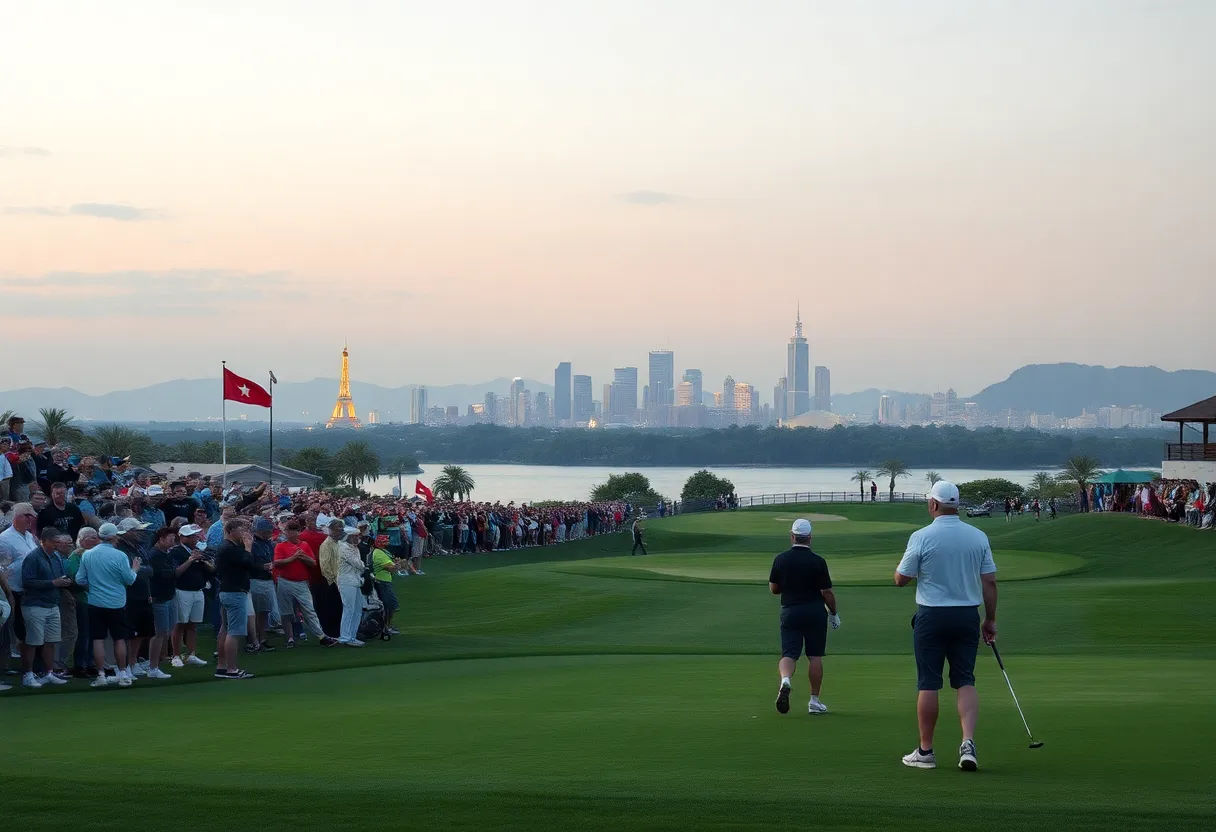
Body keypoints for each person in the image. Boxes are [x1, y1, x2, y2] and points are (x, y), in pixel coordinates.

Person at [894, 481, 998, 772]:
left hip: (931, 616)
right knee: (965, 679)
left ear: (934, 505)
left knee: (929, 682)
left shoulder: (921, 536)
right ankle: (968, 744)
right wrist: (989, 620)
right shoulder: (977, 536)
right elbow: (989, 582)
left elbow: (901, 578)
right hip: (967, 615)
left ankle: (926, 752)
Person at [769, 519, 839, 715]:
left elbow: (774, 589)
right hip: (815, 612)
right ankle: (814, 702)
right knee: (814, 655)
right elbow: (827, 592)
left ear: (792, 536)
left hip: (790, 611)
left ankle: (785, 680)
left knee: (789, 654)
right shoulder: (818, 561)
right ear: (810, 538)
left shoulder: (781, 559)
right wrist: (834, 613)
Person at [75, 523, 140, 687]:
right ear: (113, 537)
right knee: (119, 639)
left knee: (98, 639)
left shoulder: (88, 555)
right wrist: (135, 569)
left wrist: (93, 586)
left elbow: (80, 579)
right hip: (116, 602)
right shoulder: (120, 556)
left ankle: (101, 675)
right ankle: (123, 674)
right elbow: (129, 579)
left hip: (95, 602)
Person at [214, 518, 272, 679]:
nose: (246, 533)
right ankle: (231, 669)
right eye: (242, 529)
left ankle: (222, 666)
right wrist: (248, 546)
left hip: (229, 591)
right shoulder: (229, 548)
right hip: (234, 592)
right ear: (232, 530)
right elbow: (247, 561)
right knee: (234, 632)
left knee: (225, 630)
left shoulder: (230, 547)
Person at [19, 527, 72, 688]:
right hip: (35, 605)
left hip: (53, 604)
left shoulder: (56, 557)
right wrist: (53, 583)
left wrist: (64, 582)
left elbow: (60, 576)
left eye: (58, 542)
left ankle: (49, 673)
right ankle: (28, 674)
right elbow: (27, 582)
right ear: (44, 541)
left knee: (51, 641)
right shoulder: (33, 557)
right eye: (54, 542)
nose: (57, 545)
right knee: (33, 641)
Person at [272, 520, 337, 648]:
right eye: (288, 531)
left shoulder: (304, 545)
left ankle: (321, 636)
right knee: (286, 612)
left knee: (309, 610)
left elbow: (313, 562)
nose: (291, 533)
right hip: (285, 581)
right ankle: (290, 638)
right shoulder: (281, 546)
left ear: (298, 532)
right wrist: (294, 557)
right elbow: (277, 563)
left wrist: (302, 556)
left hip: (301, 582)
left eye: (294, 530)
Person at [170, 524, 213, 667]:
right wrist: (190, 559)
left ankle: (191, 654)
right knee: (180, 624)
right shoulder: (176, 552)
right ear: (181, 537)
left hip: (198, 590)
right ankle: (176, 655)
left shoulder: (199, 551)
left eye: (195, 535)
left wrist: (202, 561)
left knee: (193, 625)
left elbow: (211, 570)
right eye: (191, 536)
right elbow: (176, 573)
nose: (194, 538)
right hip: (182, 591)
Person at [145, 527, 178, 679]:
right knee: (159, 633)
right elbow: (168, 574)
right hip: (159, 598)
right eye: (170, 538)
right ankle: (153, 667)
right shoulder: (155, 555)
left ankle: (156, 661)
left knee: (166, 631)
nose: (173, 541)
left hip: (168, 596)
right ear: (161, 539)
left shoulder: (166, 554)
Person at [370, 534, 407, 636]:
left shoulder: (382, 552)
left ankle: (387, 626)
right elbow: (391, 568)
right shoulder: (379, 554)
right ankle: (386, 628)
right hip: (383, 583)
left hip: (384, 581)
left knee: (388, 606)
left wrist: (397, 564)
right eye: (385, 541)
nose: (387, 542)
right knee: (389, 606)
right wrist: (400, 565)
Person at [336, 526, 367, 647]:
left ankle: (352, 636)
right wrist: (362, 565)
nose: (357, 538)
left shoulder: (354, 548)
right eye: (355, 536)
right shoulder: (343, 548)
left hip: (356, 580)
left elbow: (360, 564)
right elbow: (358, 564)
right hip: (346, 581)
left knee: (357, 609)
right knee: (349, 609)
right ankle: (345, 636)